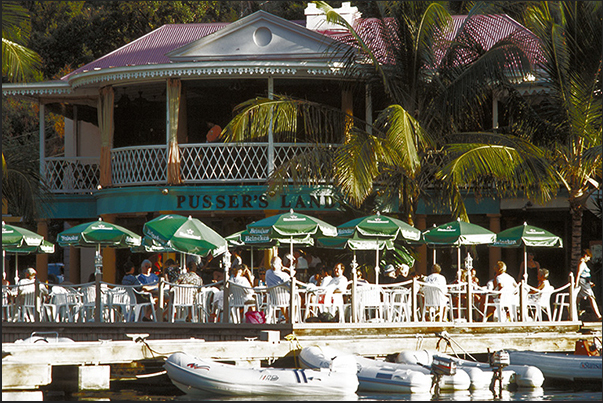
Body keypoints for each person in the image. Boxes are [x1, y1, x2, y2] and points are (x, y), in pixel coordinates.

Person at [575, 249, 602, 320]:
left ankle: (573, 312)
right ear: (585, 256)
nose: (589, 259)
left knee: (578, 299)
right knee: (591, 297)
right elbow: (579, 274)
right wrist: (576, 283)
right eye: (589, 257)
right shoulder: (582, 263)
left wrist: (589, 283)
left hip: (585, 282)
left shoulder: (583, 263)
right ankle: (598, 316)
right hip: (583, 282)